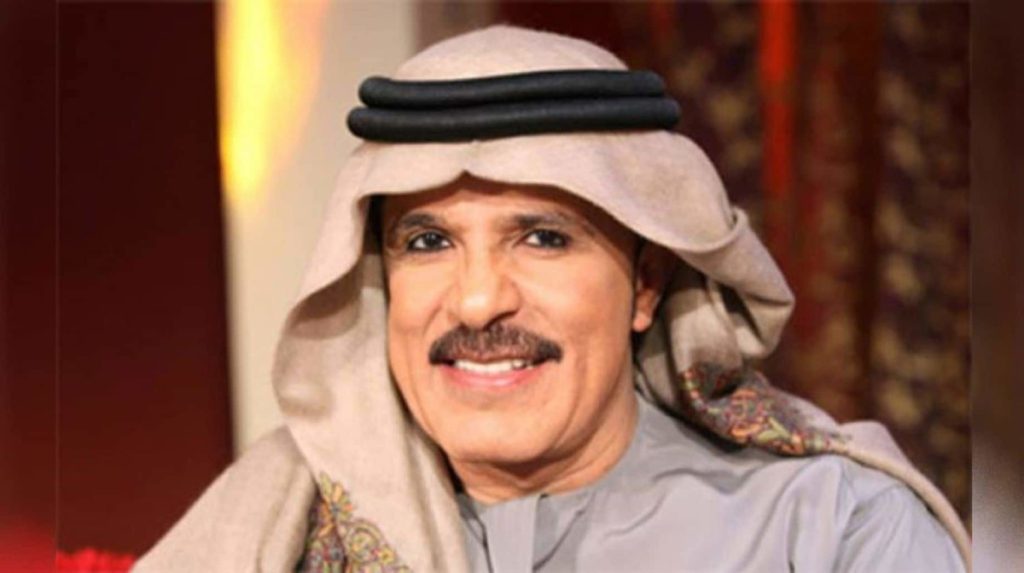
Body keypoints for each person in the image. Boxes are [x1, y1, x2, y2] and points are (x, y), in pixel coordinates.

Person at [136, 26, 969, 572]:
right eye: (427, 242)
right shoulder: (271, 529)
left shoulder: (831, 530)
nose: (476, 301)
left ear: (645, 283)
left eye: (541, 237)